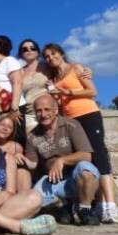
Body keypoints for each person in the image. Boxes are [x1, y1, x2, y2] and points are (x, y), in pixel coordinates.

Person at [42, 43, 117, 223]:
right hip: (72, 120)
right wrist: (55, 95)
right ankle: (99, 205)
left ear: (61, 53)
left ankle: (111, 207)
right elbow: (60, 104)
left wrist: (67, 91)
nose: (51, 58)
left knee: (99, 156)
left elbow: (93, 91)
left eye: (53, 54)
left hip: (88, 114)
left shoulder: (76, 68)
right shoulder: (54, 78)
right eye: (47, 56)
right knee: (86, 159)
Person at [23, 94, 102, 225]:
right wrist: (20, 159)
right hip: (52, 181)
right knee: (31, 202)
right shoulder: (32, 136)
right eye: (39, 110)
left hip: (74, 179)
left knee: (86, 168)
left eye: (47, 109)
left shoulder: (71, 125)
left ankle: (85, 209)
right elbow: (33, 164)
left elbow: (86, 155)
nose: (43, 114)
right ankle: (64, 207)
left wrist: (62, 161)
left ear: (56, 110)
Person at [17, 39, 51, 133]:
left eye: (32, 48)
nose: (29, 50)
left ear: (38, 52)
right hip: (29, 115)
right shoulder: (19, 72)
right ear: (20, 54)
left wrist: (86, 71)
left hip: (49, 112)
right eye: (25, 49)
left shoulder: (47, 66)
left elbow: (65, 70)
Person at [0, 113, 32, 192]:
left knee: (21, 167)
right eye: (2, 125)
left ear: (12, 131)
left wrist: (18, 155)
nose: (5, 128)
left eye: (9, 127)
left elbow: (20, 156)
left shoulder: (16, 147)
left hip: (11, 179)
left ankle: (24, 196)